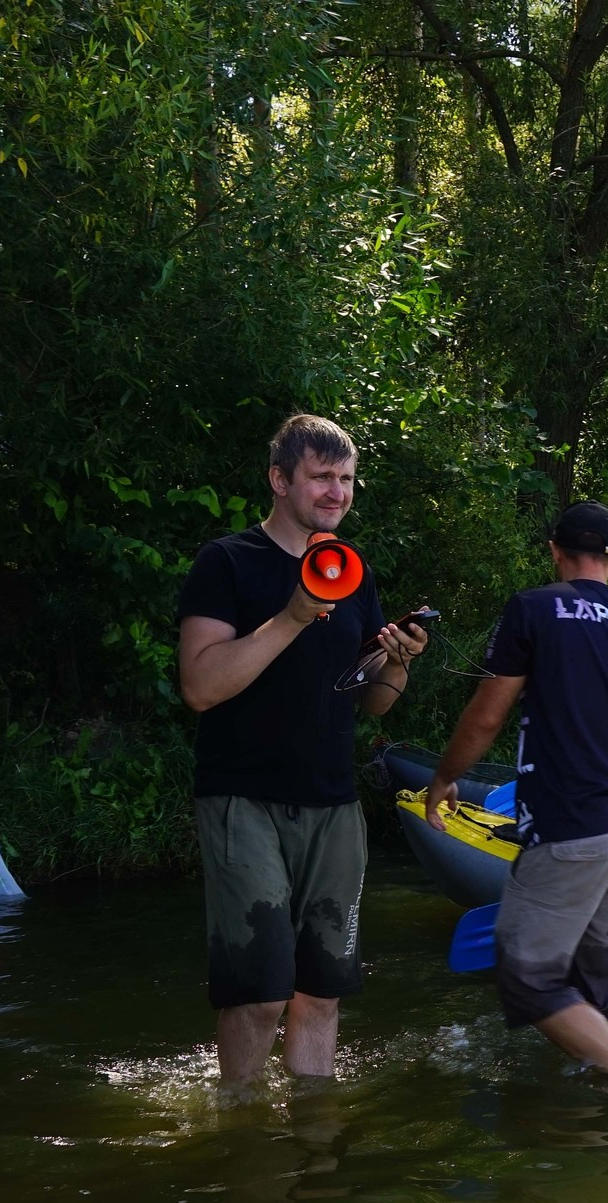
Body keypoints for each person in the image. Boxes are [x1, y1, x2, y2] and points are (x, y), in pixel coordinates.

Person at [177, 413, 428, 1096]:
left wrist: (396, 661)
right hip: (243, 797)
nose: (337, 491)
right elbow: (200, 687)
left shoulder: (352, 570)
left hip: (332, 804)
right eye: (322, 477)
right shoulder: (226, 562)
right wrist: (292, 615)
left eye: (346, 479)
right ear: (280, 480)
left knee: (321, 992)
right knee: (259, 994)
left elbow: (372, 702)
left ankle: (313, 1137)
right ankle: (239, 1123)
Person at [421, 501, 608, 1080]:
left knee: (529, 980)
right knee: (593, 998)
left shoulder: (533, 609)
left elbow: (485, 717)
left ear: (555, 550)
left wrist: (445, 776)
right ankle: (596, 1135)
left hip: (569, 827)